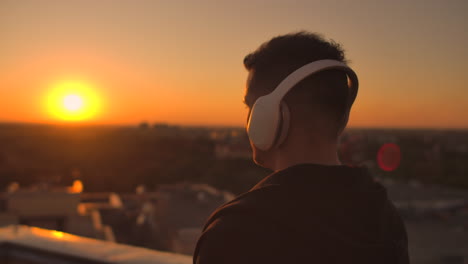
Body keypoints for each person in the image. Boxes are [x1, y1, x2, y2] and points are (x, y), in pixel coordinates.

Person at [193, 32, 409, 264]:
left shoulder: (235, 231)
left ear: (269, 115)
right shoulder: (385, 217)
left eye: (251, 107)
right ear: (342, 118)